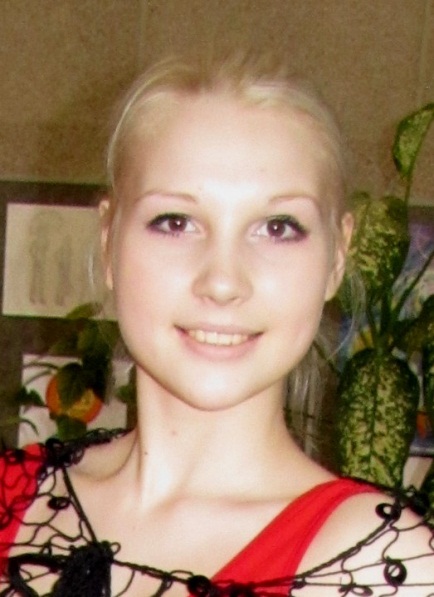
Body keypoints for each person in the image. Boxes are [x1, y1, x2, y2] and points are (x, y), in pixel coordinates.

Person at [0, 53, 433, 597]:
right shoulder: (12, 494)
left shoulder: (385, 567)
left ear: (337, 258)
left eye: (277, 228)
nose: (223, 282)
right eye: (175, 222)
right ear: (109, 241)